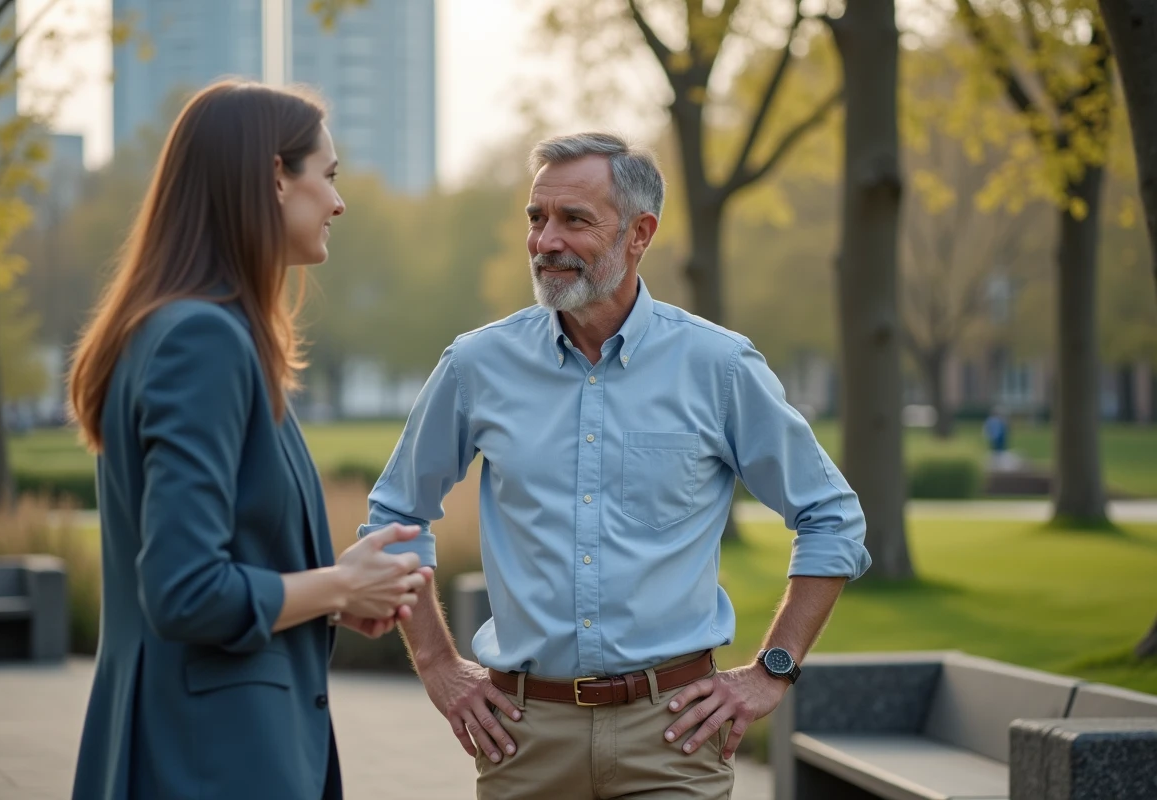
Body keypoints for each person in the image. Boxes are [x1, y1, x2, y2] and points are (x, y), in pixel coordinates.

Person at [358, 132, 872, 798]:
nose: (546, 241)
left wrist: (773, 669)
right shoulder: (476, 365)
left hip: (675, 738)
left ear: (639, 234)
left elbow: (831, 516)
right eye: (537, 217)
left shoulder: (718, 366)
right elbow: (395, 515)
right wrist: (436, 664)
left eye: (574, 220)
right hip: (523, 738)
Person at [66, 80, 428, 800]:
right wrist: (338, 584)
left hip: (199, 748)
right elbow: (184, 591)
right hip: (210, 759)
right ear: (274, 178)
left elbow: (214, 564)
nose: (338, 202)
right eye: (327, 175)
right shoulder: (202, 341)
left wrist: (331, 595)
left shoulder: (192, 330)